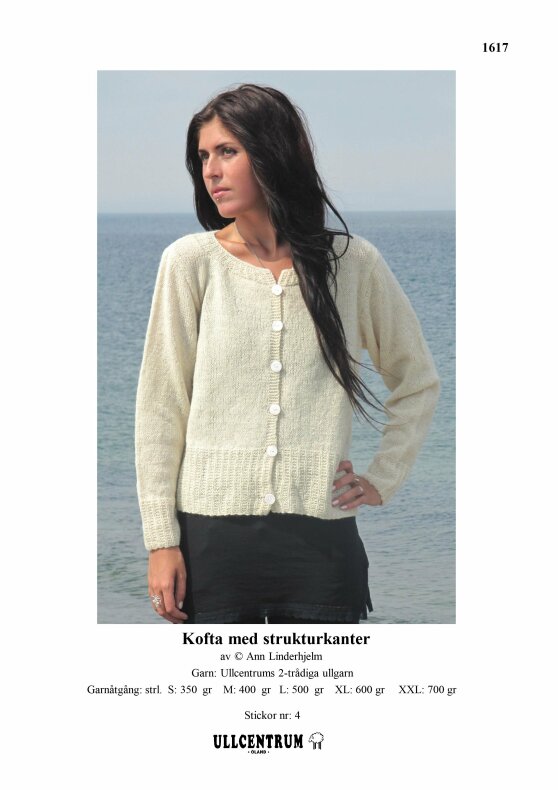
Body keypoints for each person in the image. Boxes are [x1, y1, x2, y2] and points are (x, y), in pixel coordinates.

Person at [134, 83, 441, 625]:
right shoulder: (189, 263)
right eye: (203, 157)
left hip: (323, 549)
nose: (211, 171)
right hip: (211, 545)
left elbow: (417, 381)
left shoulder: (353, 265)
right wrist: (161, 540)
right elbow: (161, 407)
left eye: (227, 151)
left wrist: (382, 478)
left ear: (272, 152)